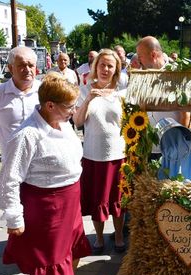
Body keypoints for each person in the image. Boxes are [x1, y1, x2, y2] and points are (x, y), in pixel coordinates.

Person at [0, 73, 91, 275]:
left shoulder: (63, 123)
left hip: (70, 199)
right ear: (50, 105)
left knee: (71, 248)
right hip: (46, 206)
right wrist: (14, 217)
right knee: (50, 261)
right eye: (70, 106)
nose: (74, 110)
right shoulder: (27, 135)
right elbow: (9, 179)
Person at [72, 49, 126, 255]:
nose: (105, 69)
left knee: (118, 200)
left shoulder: (122, 92)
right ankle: (100, 239)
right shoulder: (85, 90)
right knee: (97, 199)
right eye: (102, 65)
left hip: (117, 154)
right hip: (93, 154)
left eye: (110, 66)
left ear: (116, 70)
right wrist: (88, 99)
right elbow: (77, 122)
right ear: (95, 67)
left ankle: (119, 236)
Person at [0, 46, 41, 161]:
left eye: (31, 65)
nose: (27, 69)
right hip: (12, 161)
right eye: (22, 65)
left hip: (41, 161)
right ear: (10, 68)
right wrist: (10, 138)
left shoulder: (45, 91)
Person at [136, 36, 190, 158]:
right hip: (149, 147)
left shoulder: (176, 75)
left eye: (140, 56)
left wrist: (179, 143)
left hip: (172, 145)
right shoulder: (143, 75)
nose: (139, 60)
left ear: (153, 55)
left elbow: (185, 114)